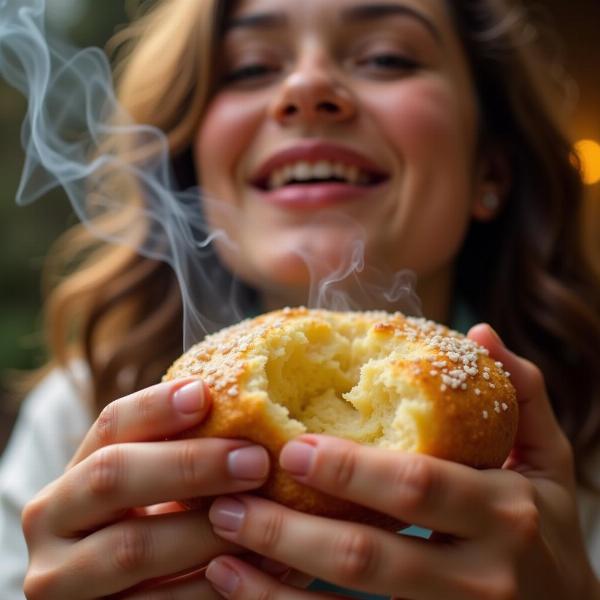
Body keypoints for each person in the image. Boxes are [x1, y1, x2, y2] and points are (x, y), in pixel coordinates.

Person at [1, 0, 600, 598]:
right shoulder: (78, 419)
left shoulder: (584, 446)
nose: (307, 86)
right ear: (192, 172)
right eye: (250, 68)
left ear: (489, 171)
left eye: (386, 57)